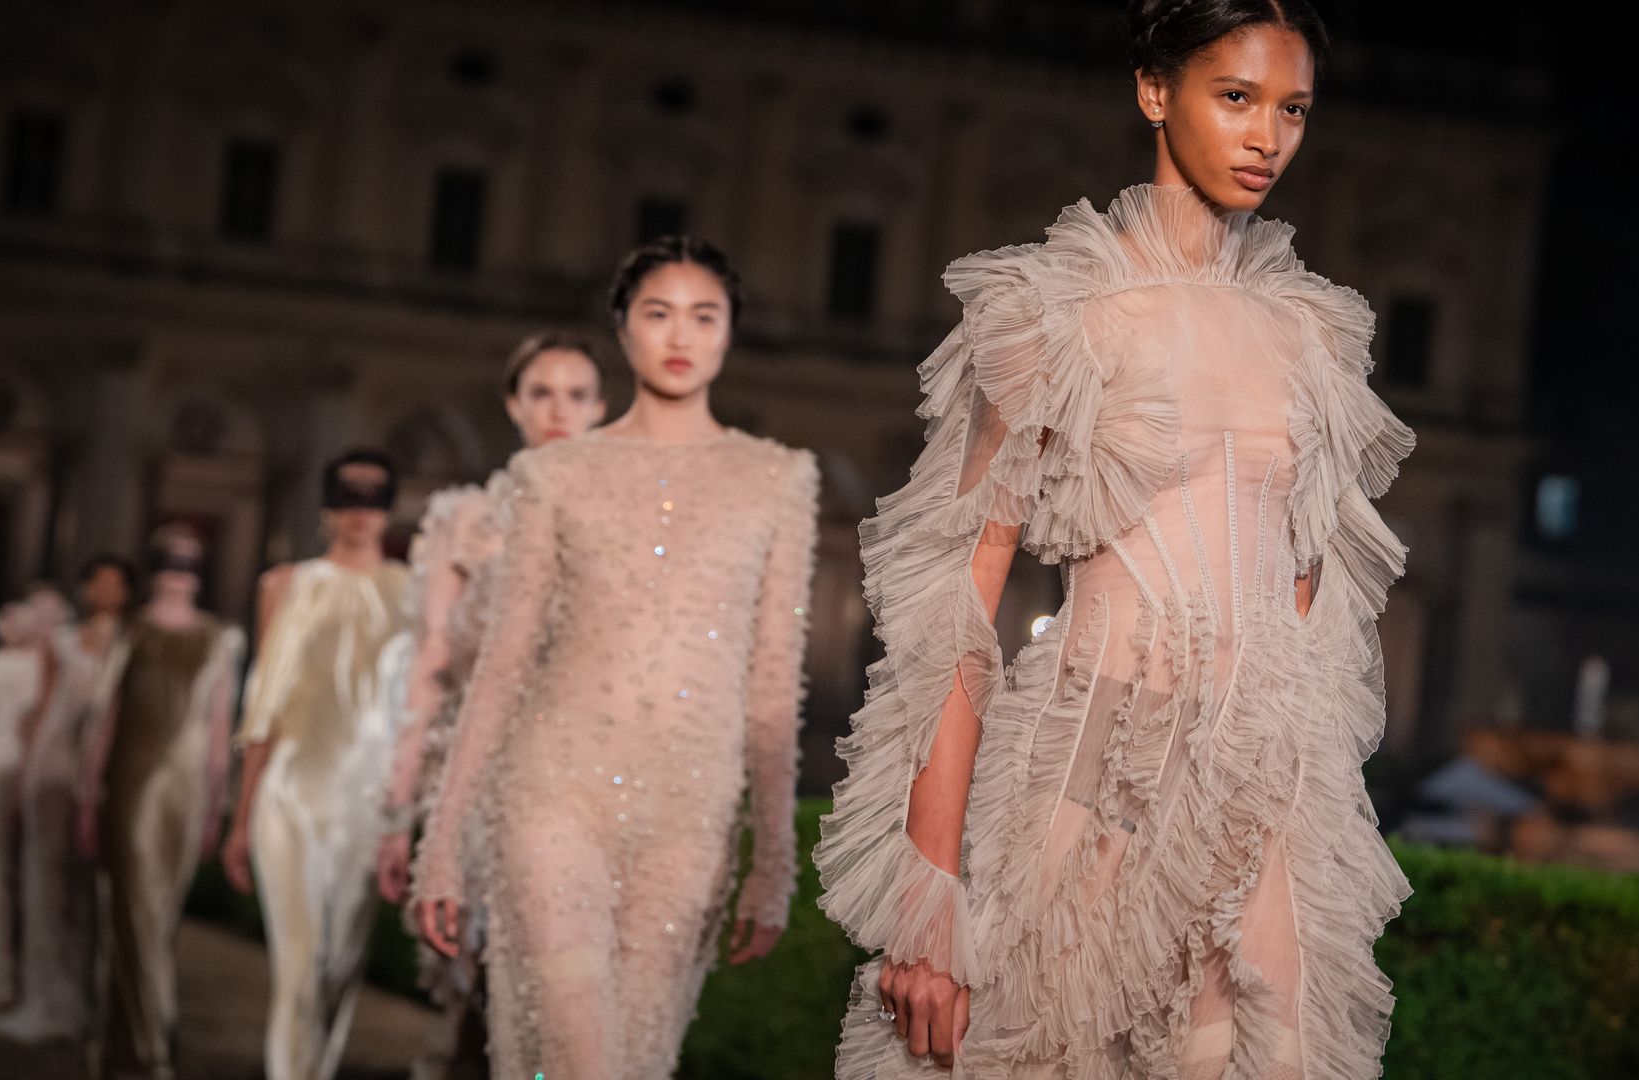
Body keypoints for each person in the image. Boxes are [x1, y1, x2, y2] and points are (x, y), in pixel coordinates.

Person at [816, 2, 1416, 1076]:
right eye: (1234, 98)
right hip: (1099, 765)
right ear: (1154, 92)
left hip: (1261, 791)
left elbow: (1310, 607)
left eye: (1292, 109)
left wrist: (1309, 805)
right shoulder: (1054, 313)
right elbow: (957, 599)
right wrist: (928, 894)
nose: (1266, 137)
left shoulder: (1312, 334)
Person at [412, 236, 818, 1078]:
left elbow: (774, 681)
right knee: (583, 1058)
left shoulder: (778, 479)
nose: (681, 334)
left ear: (729, 333)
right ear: (623, 330)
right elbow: (506, 661)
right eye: (656, 313)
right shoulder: (553, 475)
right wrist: (443, 842)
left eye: (704, 315)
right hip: (551, 793)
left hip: (691, 813)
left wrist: (773, 860)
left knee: (636, 1059)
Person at [375, 332, 606, 1080]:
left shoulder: (629, 522)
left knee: (567, 988)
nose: (558, 410)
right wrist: (400, 805)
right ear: (513, 404)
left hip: (594, 779)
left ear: (602, 407)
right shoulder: (464, 517)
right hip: (480, 775)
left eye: (576, 394)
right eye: (540, 392)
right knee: (483, 982)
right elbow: (432, 662)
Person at [222, 450, 409, 1080]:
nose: (360, 514)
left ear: (389, 508)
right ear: (328, 507)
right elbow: (265, 699)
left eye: (374, 499)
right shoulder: (285, 585)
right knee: (297, 964)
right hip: (289, 792)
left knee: (340, 964)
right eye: (348, 498)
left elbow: (416, 710)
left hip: (367, 796)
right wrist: (242, 816)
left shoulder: (413, 591)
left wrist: (402, 819)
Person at [78, 528, 243, 1078]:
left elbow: (219, 731)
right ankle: (154, 1055)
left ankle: (119, 1048)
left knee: (161, 919)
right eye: (169, 561)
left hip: (189, 792)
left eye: (190, 562)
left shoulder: (218, 638)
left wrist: (217, 806)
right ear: (153, 567)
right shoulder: (131, 630)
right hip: (131, 787)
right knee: (132, 912)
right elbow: (103, 721)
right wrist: (87, 799)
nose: (179, 572)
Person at [0, 556, 134, 1044]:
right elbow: (44, 709)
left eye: (115, 583)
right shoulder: (64, 643)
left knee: (91, 894)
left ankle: (85, 1002)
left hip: (104, 779)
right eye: (98, 581)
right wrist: (27, 772)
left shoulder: (133, 643)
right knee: (44, 883)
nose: (105, 590)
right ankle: (45, 999)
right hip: (55, 772)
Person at [0, 586, 68, 1013]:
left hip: (12, 770)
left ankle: (11, 978)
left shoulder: (39, 664)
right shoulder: (26, 664)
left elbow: (33, 723)